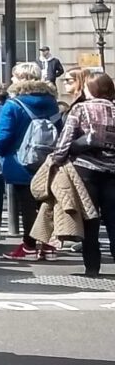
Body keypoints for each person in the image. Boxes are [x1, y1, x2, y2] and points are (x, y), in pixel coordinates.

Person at [51, 73, 115, 276]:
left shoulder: (80, 109)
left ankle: (92, 267)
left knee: (90, 219)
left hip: (85, 169)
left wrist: (56, 160)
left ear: (91, 89)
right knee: (114, 220)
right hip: (113, 170)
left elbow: (65, 141)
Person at [0, 62, 61, 261]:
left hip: (20, 162)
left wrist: (5, 154)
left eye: (15, 77)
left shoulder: (13, 105)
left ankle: (29, 246)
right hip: (48, 161)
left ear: (22, 79)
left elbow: (2, 137)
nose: (12, 80)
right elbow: (60, 128)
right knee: (47, 203)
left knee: (26, 206)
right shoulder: (52, 102)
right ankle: (49, 245)